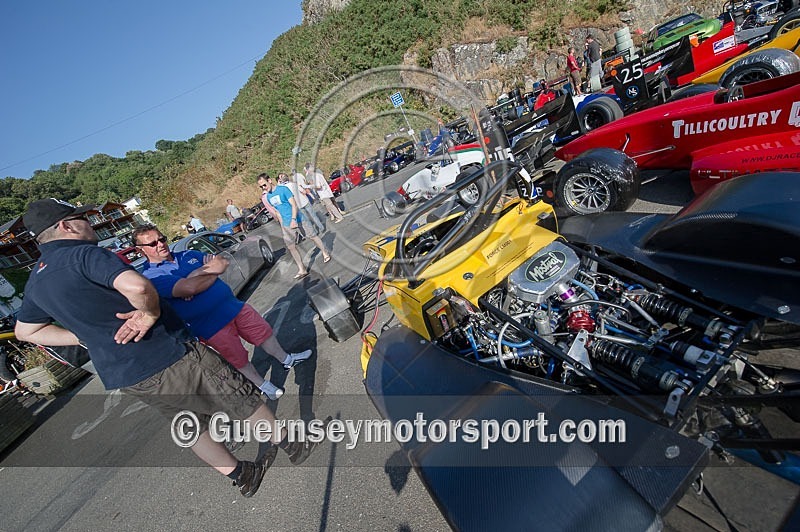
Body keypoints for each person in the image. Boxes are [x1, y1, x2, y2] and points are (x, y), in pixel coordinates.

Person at [14, 198, 321, 498]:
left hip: (126, 376)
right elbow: (137, 286)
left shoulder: (35, 283)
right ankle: (294, 445)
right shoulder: (84, 254)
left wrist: (84, 337)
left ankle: (242, 475)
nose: (90, 223)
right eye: (82, 218)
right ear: (66, 226)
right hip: (167, 352)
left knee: (192, 425)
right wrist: (148, 314)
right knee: (238, 396)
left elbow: (26, 331)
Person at [133, 223, 312, 400]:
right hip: (209, 325)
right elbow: (188, 289)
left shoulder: (187, 254)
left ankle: (287, 360)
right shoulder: (152, 276)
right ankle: (263, 385)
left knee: (263, 333)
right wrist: (206, 275)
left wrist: (194, 275)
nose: (160, 244)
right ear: (140, 250)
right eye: (152, 244)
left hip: (233, 306)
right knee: (237, 357)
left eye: (162, 239)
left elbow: (222, 261)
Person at [258, 174, 331, 279]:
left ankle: (325, 252)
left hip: (299, 219)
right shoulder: (268, 196)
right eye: (261, 187)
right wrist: (283, 226)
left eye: (264, 185)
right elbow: (278, 212)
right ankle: (302, 269)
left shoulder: (283, 189)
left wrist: (293, 219)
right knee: (291, 246)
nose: (263, 188)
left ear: (269, 180)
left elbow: (294, 204)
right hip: (286, 224)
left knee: (313, 237)